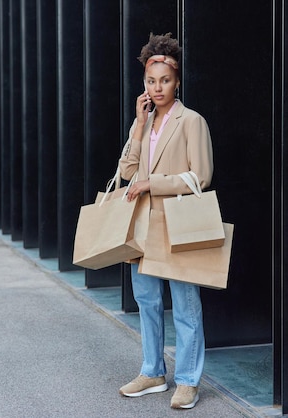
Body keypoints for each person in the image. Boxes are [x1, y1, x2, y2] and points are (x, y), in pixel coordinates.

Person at [117, 32, 214, 410]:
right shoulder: (143, 122)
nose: (157, 88)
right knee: (147, 300)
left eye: (165, 80)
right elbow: (126, 171)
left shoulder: (192, 121)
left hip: (177, 224)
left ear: (177, 81)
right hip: (143, 227)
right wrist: (138, 128)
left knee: (186, 305)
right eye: (150, 81)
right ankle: (153, 371)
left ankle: (188, 380)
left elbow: (200, 177)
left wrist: (151, 183)